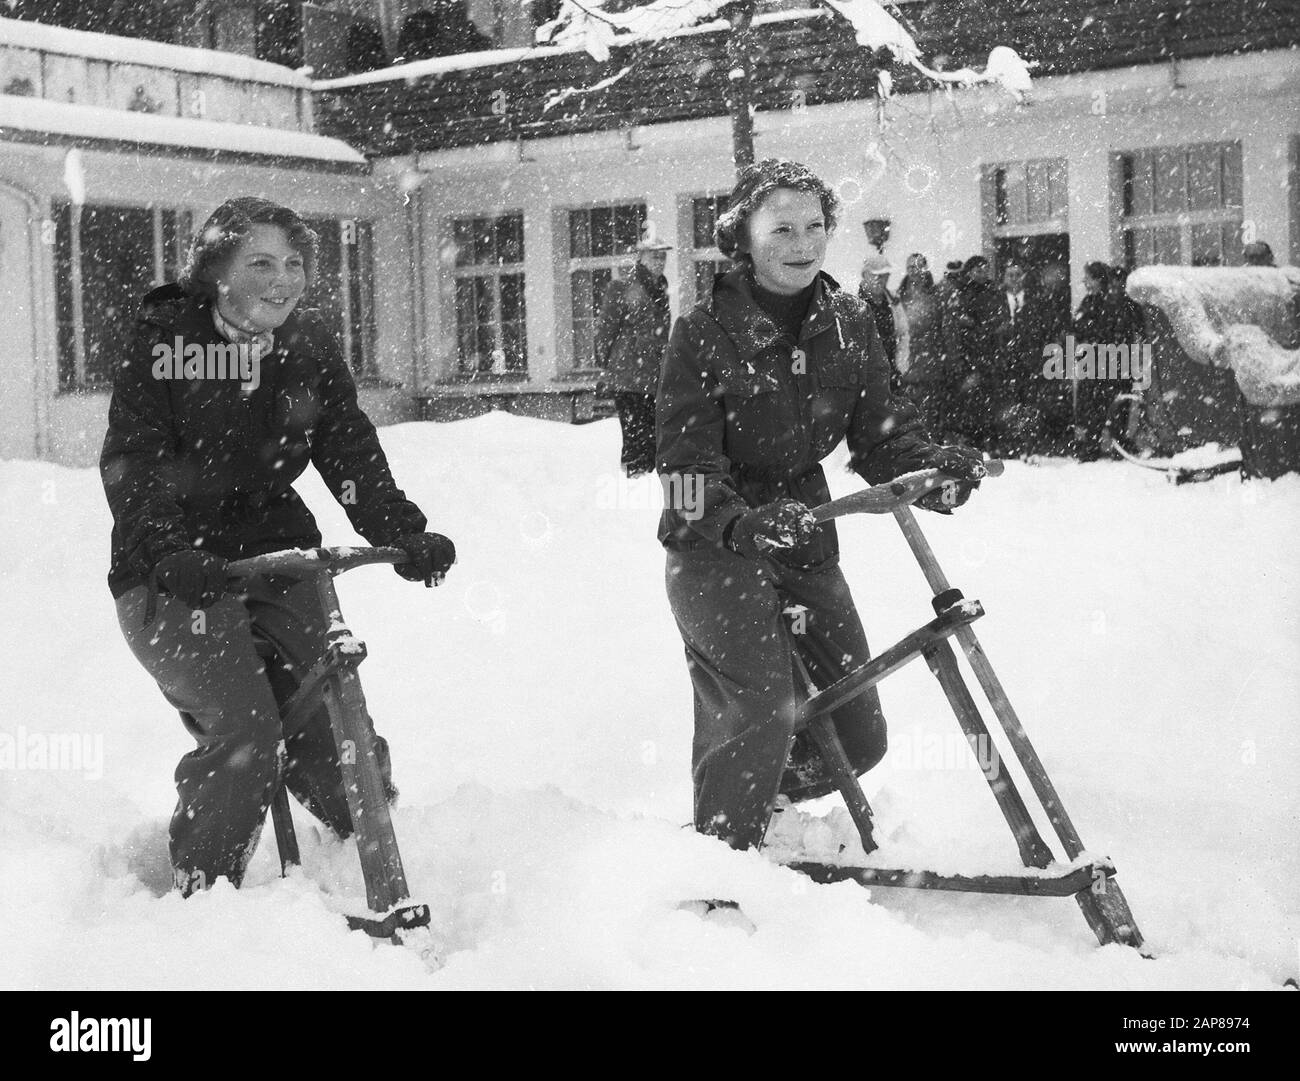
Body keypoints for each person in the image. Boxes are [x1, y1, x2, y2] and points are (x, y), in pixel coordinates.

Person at [101, 197, 457, 896]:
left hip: (278, 553)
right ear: (216, 272)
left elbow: (347, 447)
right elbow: (132, 463)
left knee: (336, 736)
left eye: (294, 264)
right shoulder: (164, 341)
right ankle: (205, 901)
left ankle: (374, 868)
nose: (282, 279)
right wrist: (168, 546)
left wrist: (400, 530)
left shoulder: (308, 345)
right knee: (247, 737)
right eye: (260, 262)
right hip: (173, 572)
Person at [656, 159, 985, 852]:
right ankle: (720, 863)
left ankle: (766, 810)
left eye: (815, 226)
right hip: (715, 548)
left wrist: (935, 471)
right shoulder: (703, 333)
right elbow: (683, 471)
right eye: (781, 228)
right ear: (741, 235)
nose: (802, 243)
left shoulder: (848, 323)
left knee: (859, 730)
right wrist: (739, 521)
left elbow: (883, 435)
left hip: (806, 533)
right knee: (758, 712)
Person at [594, 237, 673, 476]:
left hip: (652, 375)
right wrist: (610, 366)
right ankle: (633, 485)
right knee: (637, 438)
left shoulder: (660, 288)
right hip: (629, 376)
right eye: (654, 256)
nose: (660, 261)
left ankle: (643, 485)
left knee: (652, 438)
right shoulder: (623, 287)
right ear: (641, 257)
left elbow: (661, 334)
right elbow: (605, 330)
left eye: (663, 256)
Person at [949, 254, 1005, 452]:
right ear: (970, 272)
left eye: (984, 270)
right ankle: (973, 440)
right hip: (969, 355)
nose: (982, 274)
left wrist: (987, 329)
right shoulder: (963, 292)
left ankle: (993, 439)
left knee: (992, 399)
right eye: (978, 270)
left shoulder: (995, 292)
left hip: (990, 354)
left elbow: (1001, 319)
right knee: (972, 400)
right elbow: (959, 322)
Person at [1070, 260, 1120, 460]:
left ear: (1099, 280)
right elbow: (1078, 327)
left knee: (1097, 404)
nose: (1085, 281)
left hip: (1100, 362)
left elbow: (1102, 332)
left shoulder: (1107, 303)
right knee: (1086, 404)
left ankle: (1094, 444)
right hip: (1088, 361)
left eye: (1088, 278)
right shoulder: (1088, 301)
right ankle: (1087, 443)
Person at [897, 252, 946, 432]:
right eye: (911, 267)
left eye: (918, 267)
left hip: (930, 361)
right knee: (908, 412)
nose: (915, 271)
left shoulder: (936, 294)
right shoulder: (898, 296)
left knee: (930, 411)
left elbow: (943, 327)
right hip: (906, 362)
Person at [857, 251, 909, 386]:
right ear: (865, 275)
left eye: (885, 276)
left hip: (891, 371)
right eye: (876, 276)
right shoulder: (853, 301)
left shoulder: (893, 299)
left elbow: (903, 333)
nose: (881, 280)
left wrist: (901, 363)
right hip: (863, 376)